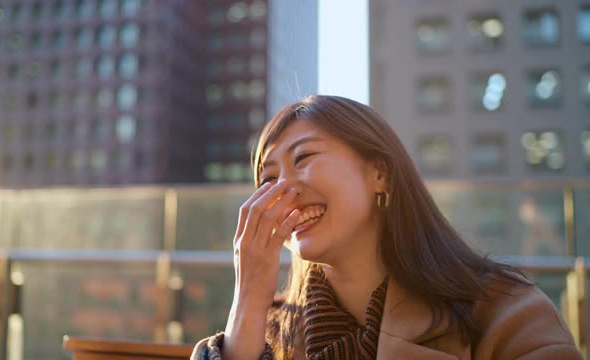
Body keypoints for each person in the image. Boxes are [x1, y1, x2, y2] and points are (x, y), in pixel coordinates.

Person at [191, 95, 582, 360]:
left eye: (304, 157)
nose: (282, 191)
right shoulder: (266, 335)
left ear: (380, 174)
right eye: (267, 180)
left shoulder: (501, 307)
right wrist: (247, 302)